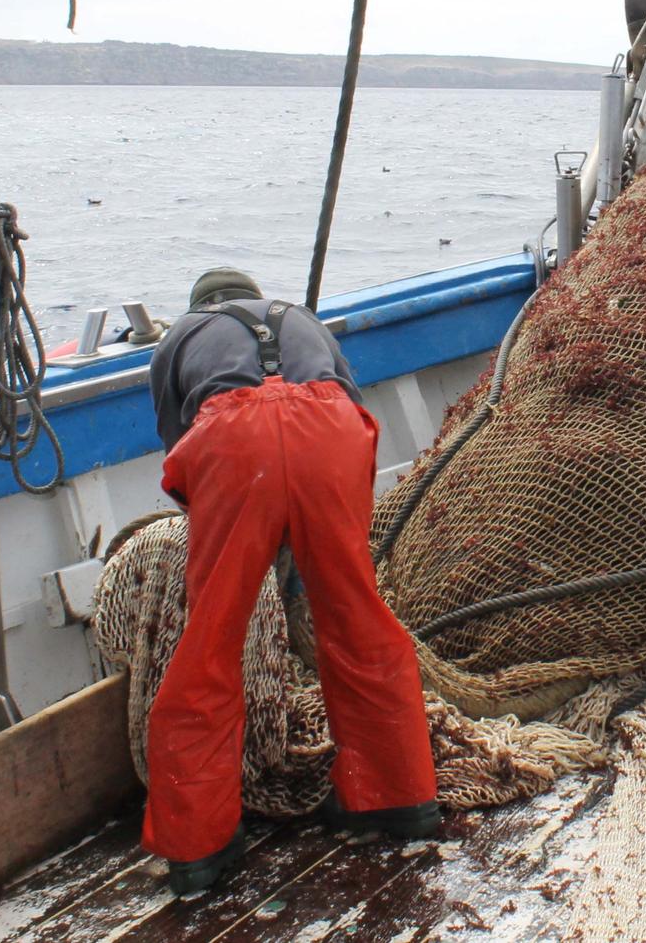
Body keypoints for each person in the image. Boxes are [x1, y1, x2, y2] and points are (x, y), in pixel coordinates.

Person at [141, 267, 440, 897]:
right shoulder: (301, 317)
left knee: (210, 646)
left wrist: (244, 530)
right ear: (249, 294)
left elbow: (180, 448)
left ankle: (199, 847)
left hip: (231, 440)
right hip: (332, 432)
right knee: (358, 617)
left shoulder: (180, 337)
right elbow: (347, 404)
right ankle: (397, 797)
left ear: (202, 305)